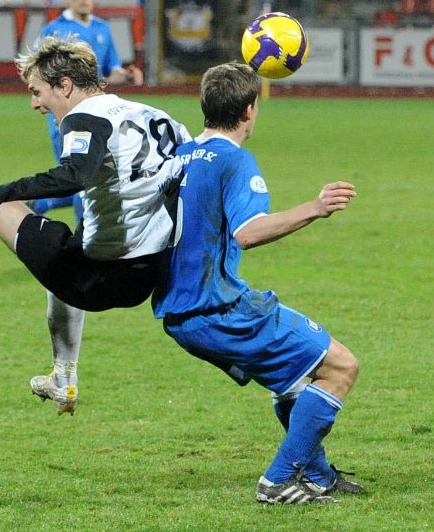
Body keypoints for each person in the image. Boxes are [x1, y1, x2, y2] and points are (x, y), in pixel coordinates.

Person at [0, 37, 190, 416]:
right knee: (63, 245)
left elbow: (74, 176)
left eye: (37, 92)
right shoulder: (154, 115)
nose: (35, 103)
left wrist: (0, 195)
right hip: (151, 274)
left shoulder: (84, 118)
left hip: (98, 277)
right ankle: (63, 378)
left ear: (64, 85)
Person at [152, 62, 363, 504]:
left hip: (178, 312)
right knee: (341, 367)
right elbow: (247, 231)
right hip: (217, 309)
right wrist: (315, 207)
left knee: (291, 380)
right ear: (250, 110)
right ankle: (278, 480)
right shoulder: (234, 161)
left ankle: (319, 476)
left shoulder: (180, 155)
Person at [33, 0, 144, 222]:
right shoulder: (53, 31)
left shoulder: (102, 28)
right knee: (83, 177)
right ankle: (84, 244)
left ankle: (40, 202)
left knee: (92, 176)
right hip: (65, 117)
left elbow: (110, 72)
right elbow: (35, 74)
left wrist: (126, 76)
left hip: (98, 115)